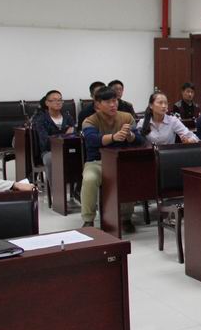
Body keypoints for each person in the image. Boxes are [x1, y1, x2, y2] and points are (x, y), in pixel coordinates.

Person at [80, 86, 143, 229]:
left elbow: (140, 140)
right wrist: (114, 137)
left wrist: (130, 135)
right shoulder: (90, 120)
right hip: (97, 162)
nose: (113, 105)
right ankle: (88, 219)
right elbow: (92, 140)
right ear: (98, 104)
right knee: (89, 179)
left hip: (120, 161)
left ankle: (126, 217)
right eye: (108, 102)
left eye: (115, 101)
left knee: (128, 177)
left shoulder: (126, 117)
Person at [32, 89, 76, 191]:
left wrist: (62, 136)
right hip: (49, 151)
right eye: (54, 100)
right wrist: (65, 135)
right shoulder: (41, 120)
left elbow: (75, 134)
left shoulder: (67, 117)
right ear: (47, 103)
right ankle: (56, 191)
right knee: (51, 159)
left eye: (60, 100)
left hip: (68, 149)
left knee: (82, 156)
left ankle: (76, 190)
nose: (58, 102)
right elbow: (45, 142)